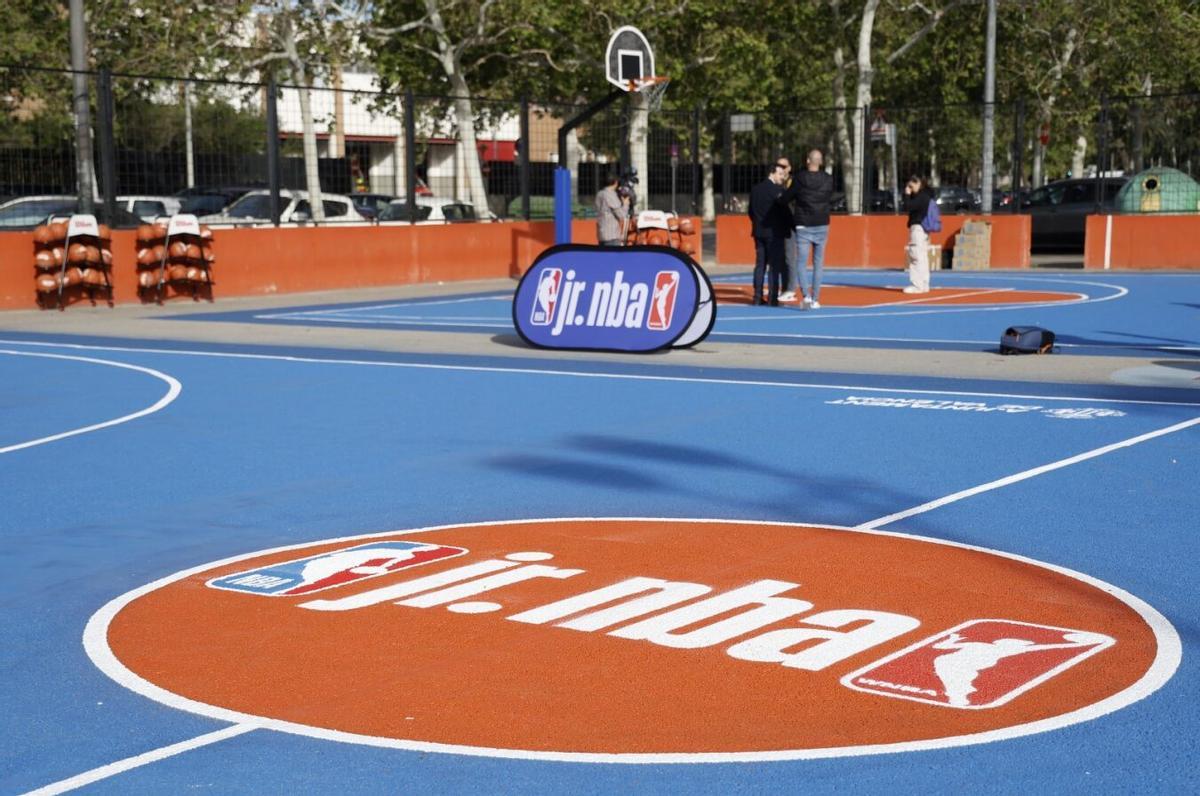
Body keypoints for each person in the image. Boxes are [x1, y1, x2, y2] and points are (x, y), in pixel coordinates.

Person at [778, 149, 835, 308]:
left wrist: (780, 199)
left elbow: (787, 198)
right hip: (822, 222)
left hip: (803, 224)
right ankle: (816, 299)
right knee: (818, 263)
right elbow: (828, 196)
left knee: (801, 262)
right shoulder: (828, 179)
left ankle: (806, 297)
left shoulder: (800, 178)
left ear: (808, 161)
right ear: (821, 162)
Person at [748, 162, 791, 305]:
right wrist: (791, 225)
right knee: (774, 266)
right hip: (774, 233)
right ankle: (772, 297)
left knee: (760, 264)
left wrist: (757, 224)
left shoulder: (755, 189)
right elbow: (785, 211)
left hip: (759, 232)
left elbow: (751, 211)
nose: (782, 177)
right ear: (771, 173)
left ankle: (757, 296)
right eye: (780, 174)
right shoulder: (777, 190)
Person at [902, 175, 934, 293]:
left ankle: (917, 284)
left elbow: (907, 206)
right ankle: (924, 284)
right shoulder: (927, 195)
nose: (910, 188)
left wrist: (906, 195)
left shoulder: (921, 197)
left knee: (915, 255)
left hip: (918, 228)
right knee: (922, 256)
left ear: (918, 183)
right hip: (924, 228)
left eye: (911, 185)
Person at [595, 170, 628, 246]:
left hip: (601, 234)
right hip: (611, 236)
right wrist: (625, 204)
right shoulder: (610, 195)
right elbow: (621, 215)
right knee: (614, 257)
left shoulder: (599, 194)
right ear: (616, 182)